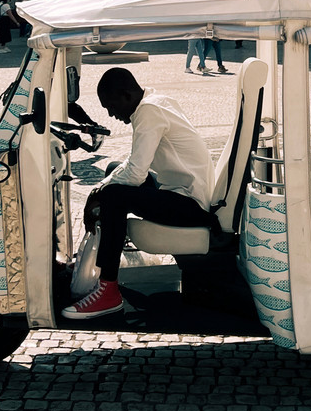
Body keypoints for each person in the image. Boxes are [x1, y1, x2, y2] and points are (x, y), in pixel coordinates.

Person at [63, 68, 214, 319]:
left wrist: (98, 194)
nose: (111, 114)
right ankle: (100, 256)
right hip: (183, 192)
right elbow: (133, 164)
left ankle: (108, 290)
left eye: (111, 106)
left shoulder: (148, 112)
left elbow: (135, 174)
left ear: (126, 94)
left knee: (113, 197)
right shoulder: (156, 101)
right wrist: (99, 189)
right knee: (112, 173)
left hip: (191, 204)